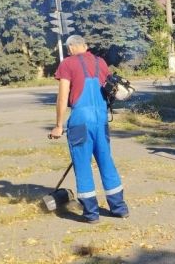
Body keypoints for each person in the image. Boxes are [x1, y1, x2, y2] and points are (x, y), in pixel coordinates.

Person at [49, 35, 128, 223]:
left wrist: (59, 126)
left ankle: (91, 213)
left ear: (69, 49)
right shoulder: (101, 62)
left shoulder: (67, 64)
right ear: (85, 46)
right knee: (106, 161)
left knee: (83, 165)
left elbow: (62, 97)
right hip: (101, 119)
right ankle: (119, 208)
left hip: (80, 120)